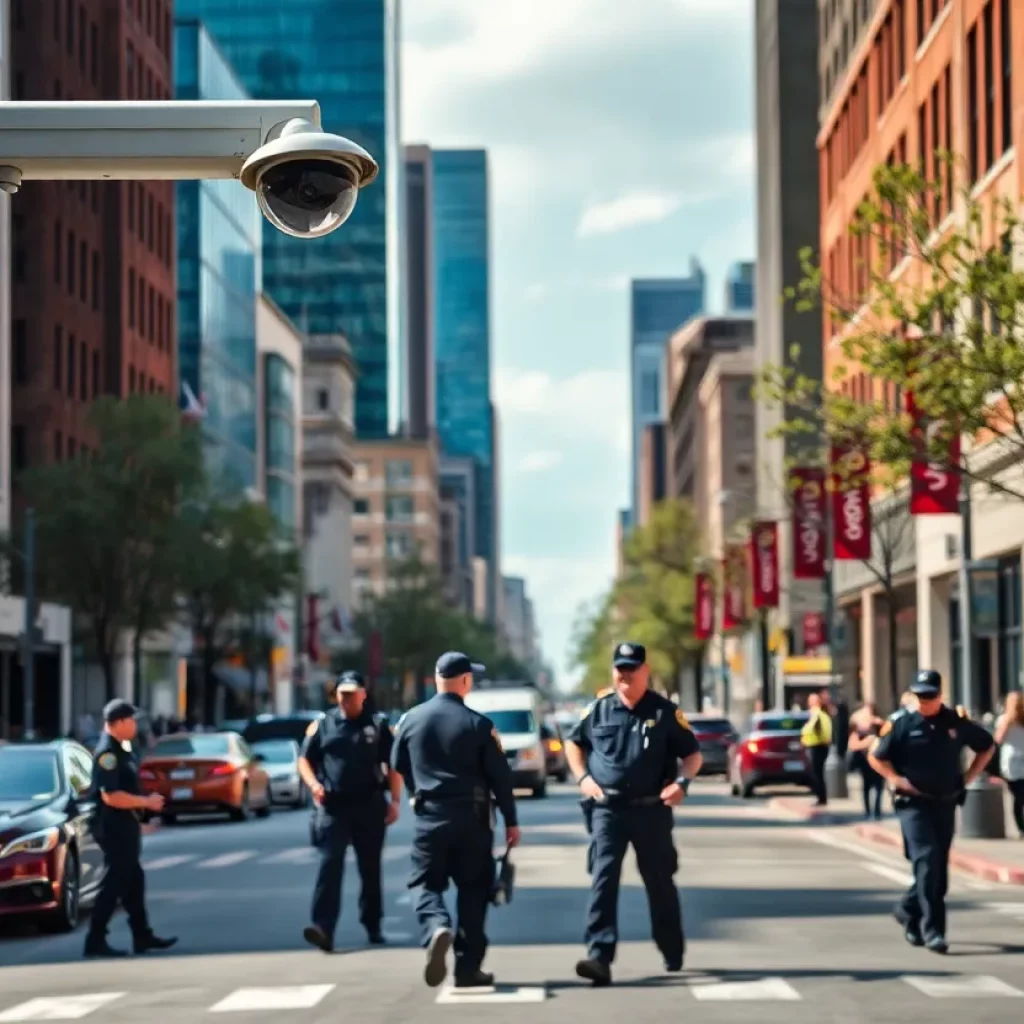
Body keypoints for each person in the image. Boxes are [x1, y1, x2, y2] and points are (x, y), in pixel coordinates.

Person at [565, 642, 703, 987]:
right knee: (603, 878)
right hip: (607, 810)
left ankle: (671, 948)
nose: (625, 674)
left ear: (646, 670)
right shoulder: (597, 710)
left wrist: (683, 783)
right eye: (620, 668)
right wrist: (583, 778)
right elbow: (573, 743)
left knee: (659, 882)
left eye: (632, 667)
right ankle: (599, 956)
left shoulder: (665, 713)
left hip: (651, 810)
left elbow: (692, 754)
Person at [390, 652, 520, 991]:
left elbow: (397, 762)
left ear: (436, 679)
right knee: (474, 892)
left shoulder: (410, 720)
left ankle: (435, 926)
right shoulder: (479, 725)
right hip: (473, 819)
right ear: (464, 681)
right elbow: (501, 778)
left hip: (430, 815)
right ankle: (467, 968)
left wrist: (417, 790)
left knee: (424, 884)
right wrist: (511, 821)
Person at [869, 669, 995, 953]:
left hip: (946, 801)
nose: (924, 701)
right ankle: (933, 931)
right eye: (920, 696)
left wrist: (969, 776)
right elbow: (877, 756)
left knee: (937, 870)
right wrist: (895, 779)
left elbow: (986, 746)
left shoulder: (955, 722)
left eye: (930, 696)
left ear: (941, 695)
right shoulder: (902, 724)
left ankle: (907, 912)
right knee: (927, 860)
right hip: (913, 804)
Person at [298, 670, 400, 952]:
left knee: (370, 869)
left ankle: (373, 924)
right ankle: (323, 928)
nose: (346, 699)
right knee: (329, 866)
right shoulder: (322, 725)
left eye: (352, 694)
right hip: (334, 807)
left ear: (363, 695)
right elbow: (305, 760)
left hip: (369, 805)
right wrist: (313, 785)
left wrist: (395, 801)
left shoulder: (377, 725)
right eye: (342, 694)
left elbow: (393, 766)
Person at [83, 700, 177, 958]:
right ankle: (95, 939)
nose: (135, 725)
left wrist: (143, 817)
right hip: (113, 827)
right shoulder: (108, 754)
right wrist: (146, 802)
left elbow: (128, 791)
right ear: (121, 722)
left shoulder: (123, 750)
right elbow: (111, 796)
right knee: (113, 883)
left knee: (134, 881)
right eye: (132, 720)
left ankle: (142, 935)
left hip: (125, 824)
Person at [848, 702, 885, 820]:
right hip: (865, 762)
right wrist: (866, 742)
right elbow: (852, 745)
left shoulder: (880, 727)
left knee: (879, 787)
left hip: (879, 761)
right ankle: (868, 811)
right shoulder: (858, 731)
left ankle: (877, 811)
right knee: (866, 787)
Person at [994, 690, 1024, 837]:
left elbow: (997, 739)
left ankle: (1021, 828)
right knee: (1020, 796)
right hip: (1019, 759)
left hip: (1011, 761)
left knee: (1018, 797)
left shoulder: (1004, 720)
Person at [800, 693, 832, 806]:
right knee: (817, 773)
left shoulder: (817, 714)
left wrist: (804, 734)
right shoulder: (819, 714)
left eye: (811, 700)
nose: (810, 703)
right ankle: (820, 797)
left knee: (817, 773)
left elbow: (810, 729)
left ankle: (821, 798)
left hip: (817, 746)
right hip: (816, 746)